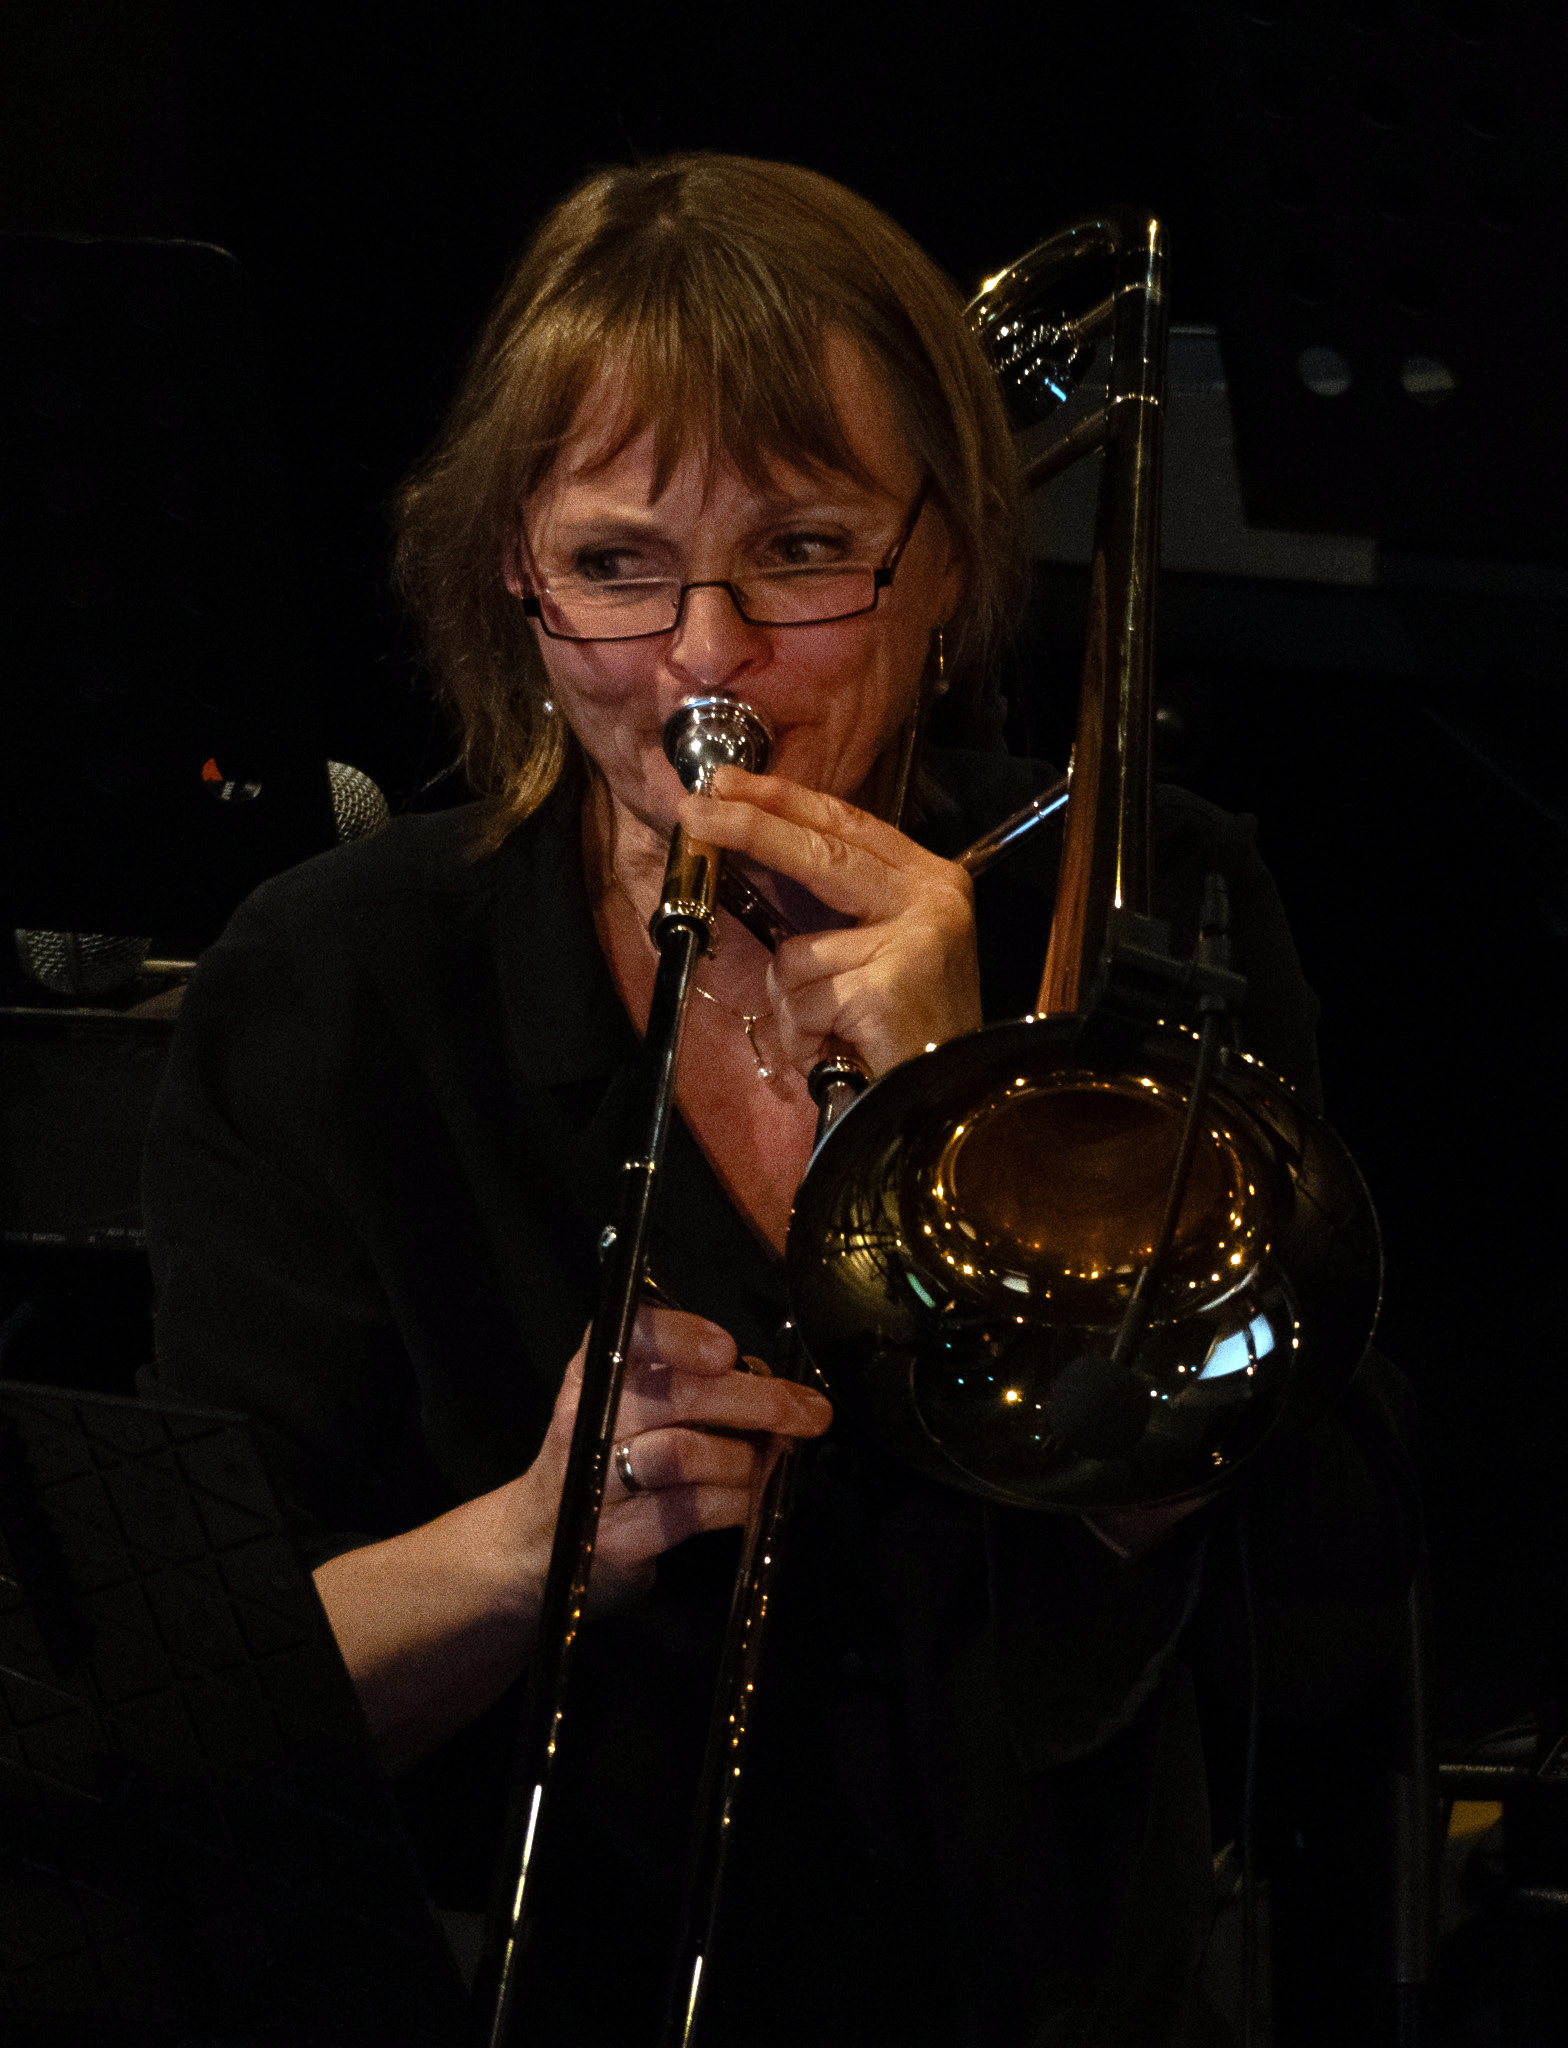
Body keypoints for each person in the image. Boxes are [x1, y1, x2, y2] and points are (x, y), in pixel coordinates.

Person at [141, 154, 1416, 2045]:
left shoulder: (1153, 910)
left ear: (947, 559)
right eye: (613, 566)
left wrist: (981, 1112)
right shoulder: (338, 980)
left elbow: (1323, 1619)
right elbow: (188, 1703)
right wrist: (526, 1543)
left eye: (805, 551)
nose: (704, 657)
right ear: (514, 579)